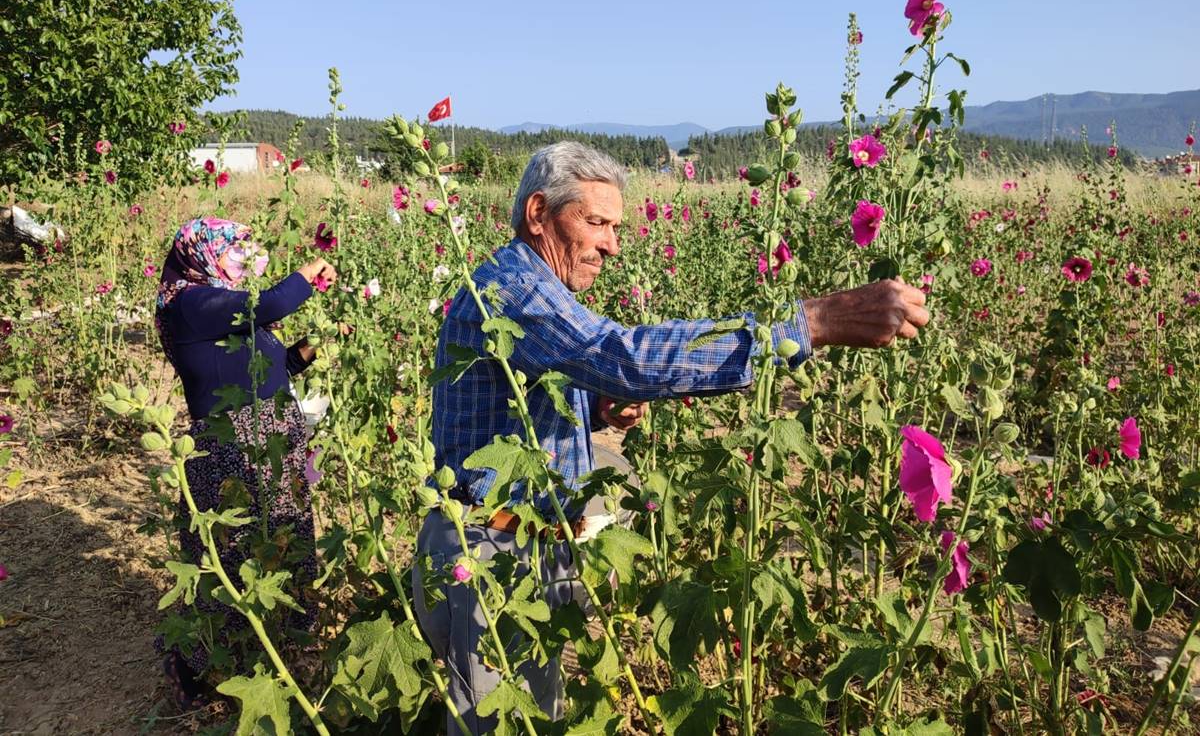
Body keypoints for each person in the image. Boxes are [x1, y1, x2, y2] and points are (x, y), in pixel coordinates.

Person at [414, 142, 930, 733]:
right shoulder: (512, 289)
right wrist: (807, 324)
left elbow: (528, 403)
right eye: (596, 222)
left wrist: (599, 409)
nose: (611, 243)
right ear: (538, 214)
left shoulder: (536, 288)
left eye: (615, 226)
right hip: (491, 558)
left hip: (520, 546)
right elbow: (622, 356)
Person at [153, 217, 337, 708]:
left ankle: (280, 645)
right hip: (232, 445)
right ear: (201, 253)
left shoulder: (216, 306)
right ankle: (207, 665)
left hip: (272, 441)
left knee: (284, 540)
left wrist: (309, 349)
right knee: (231, 556)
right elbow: (271, 302)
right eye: (232, 249)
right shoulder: (191, 304)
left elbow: (270, 367)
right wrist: (310, 272)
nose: (241, 257)